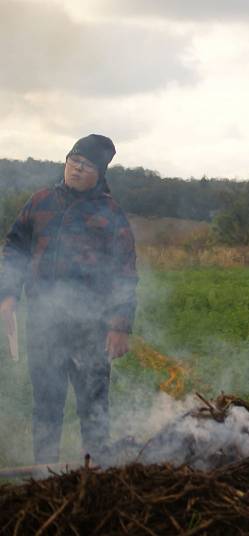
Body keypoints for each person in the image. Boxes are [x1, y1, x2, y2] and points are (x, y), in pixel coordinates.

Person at [0, 134, 138, 464]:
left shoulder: (110, 214)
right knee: (46, 403)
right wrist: (7, 294)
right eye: (73, 160)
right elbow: (14, 248)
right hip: (44, 323)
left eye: (87, 165)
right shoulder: (40, 201)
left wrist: (120, 326)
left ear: (100, 173)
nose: (76, 169)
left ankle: (96, 475)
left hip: (91, 327)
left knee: (93, 405)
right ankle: (43, 473)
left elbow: (124, 272)